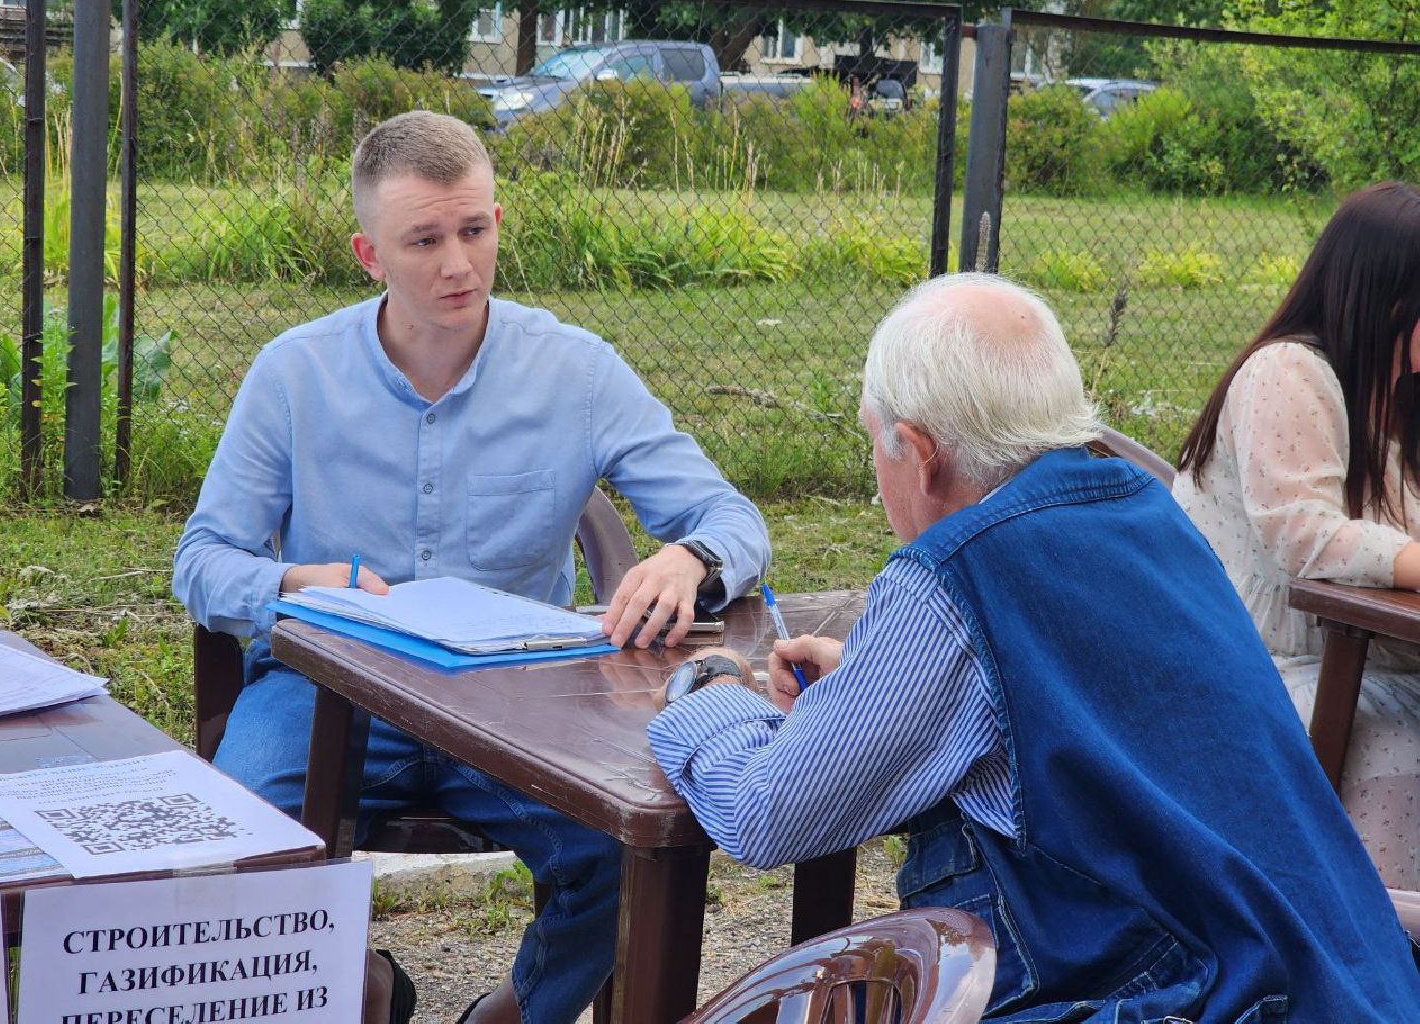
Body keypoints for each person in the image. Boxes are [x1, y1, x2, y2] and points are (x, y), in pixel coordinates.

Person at [649, 272, 1420, 1021]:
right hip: (1342, 980)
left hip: (1185, 996)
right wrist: (874, 683)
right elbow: (1105, 699)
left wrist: (710, 693)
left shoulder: (957, 572)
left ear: (919, 452)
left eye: (872, 445)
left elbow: (764, 812)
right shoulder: (1143, 515)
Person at [173, 110, 770, 1024]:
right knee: (233, 841)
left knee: (625, 850)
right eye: (424, 240)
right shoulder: (293, 375)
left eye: (475, 229)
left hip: (516, 703)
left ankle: (513, 1014)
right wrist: (296, 584)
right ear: (368, 255)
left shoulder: (574, 371)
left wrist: (690, 558)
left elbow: (734, 519)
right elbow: (202, 562)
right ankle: (366, 989)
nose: (458, 263)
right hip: (328, 692)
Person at [1173, 181, 1420, 893]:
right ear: (1386, 297)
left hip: (1372, 652)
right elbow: (1305, 537)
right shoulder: (1289, 373)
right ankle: (1379, 957)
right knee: (1405, 748)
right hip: (1267, 663)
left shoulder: (1397, 390)